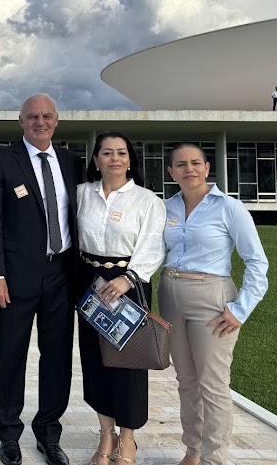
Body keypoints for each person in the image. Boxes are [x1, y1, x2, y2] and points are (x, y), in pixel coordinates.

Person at [0, 94, 82, 465]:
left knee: (57, 357)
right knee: (8, 355)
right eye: (33, 116)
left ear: (57, 120)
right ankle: (8, 433)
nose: (40, 121)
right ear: (20, 121)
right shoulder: (1, 160)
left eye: (47, 116)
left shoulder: (71, 162)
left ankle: (48, 433)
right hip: (13, 278)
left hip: (61, 275)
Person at [160, 143, 269, 465]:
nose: (188, 169)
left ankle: (214, 459)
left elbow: (257, 262)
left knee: (213, 383)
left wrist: (241, 309)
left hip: (211, 297)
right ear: (171, 172)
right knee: (186, 380)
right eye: (180, 164)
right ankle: (192, 452)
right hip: (169, 293)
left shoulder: (229, 208)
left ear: (208, 168)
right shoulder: (166, 208)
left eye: (195, 163)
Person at [76, 132, 166, 465]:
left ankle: (127, 439)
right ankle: (105, 435)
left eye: (121, 153)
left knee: (126, 363)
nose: (115, 159)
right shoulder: (82, 194)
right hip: (89, 284)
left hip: (128, 283)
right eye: (107, 153)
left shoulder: (146, 200)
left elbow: (154, 244)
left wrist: (127, 280)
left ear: (130, 160)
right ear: (96, 159)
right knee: (95, 362)